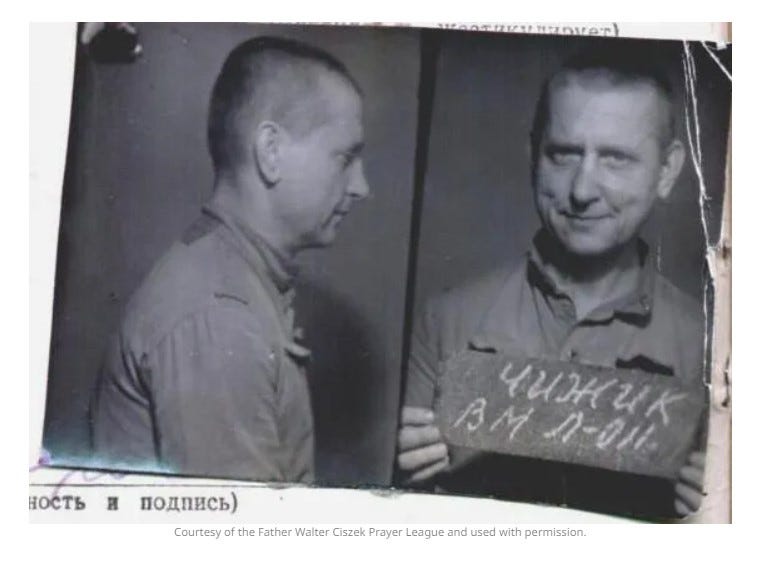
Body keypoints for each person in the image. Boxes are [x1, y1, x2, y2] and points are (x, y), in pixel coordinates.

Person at [398, 49, 706, 517]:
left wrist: (729, 516)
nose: (582, 190)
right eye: (563, 154)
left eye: (616, 159)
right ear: (533, 154)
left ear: (666, 171)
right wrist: (399, 482)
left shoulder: (714, 347)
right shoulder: (445, 319)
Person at [91, 36, 369, 482]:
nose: (361, 186)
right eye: (346, 158)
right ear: (271, 152)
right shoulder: (220, 315)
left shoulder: (232, 282)